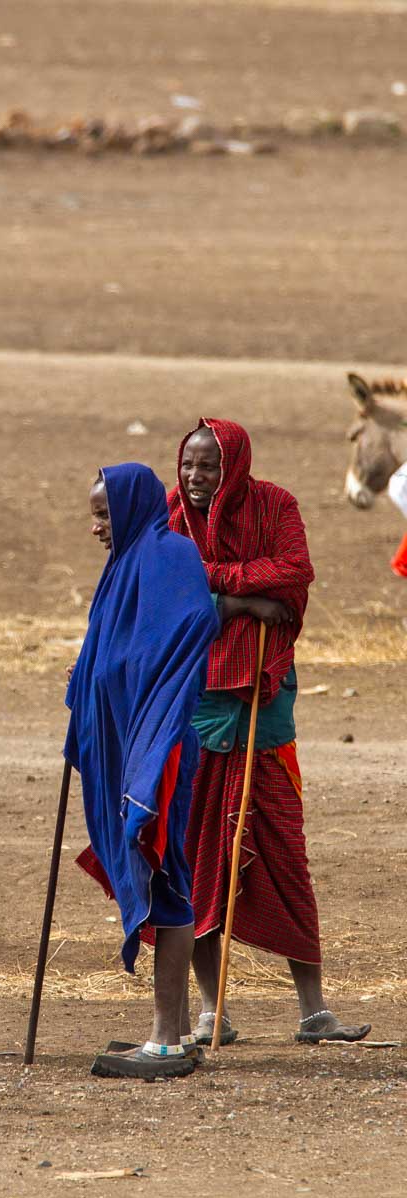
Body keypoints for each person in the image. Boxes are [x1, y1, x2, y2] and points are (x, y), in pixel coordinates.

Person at [168, 418, 369, 1046]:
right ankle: (210, 1012)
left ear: (235, 465)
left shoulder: (275, 505)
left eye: (210, 467)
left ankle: (313, 1012)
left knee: (284, 855)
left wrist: (222, 589)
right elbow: (170, 594)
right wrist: (246, 599)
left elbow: (295, 571)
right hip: (198, 707)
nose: (197, 479)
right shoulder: (172, 514)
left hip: (265, 699)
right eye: (190, 466)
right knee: (198, 864)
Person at [65, 463, 220, 1080]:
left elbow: (190, 629)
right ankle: (175, 1031)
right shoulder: (123, 566)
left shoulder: (170, 556)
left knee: (167, 877)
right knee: (162, 876)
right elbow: (108, 653)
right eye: (94, 514)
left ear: (130, 506)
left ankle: (164, 1041)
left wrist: (120, 676)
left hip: (161, 749)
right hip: (132, 744)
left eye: (104, 513)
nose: (97, 527)